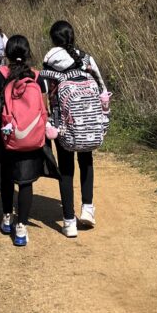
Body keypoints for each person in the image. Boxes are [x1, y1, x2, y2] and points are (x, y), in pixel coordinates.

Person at [41, 20, 108, 238]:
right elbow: (102, 90)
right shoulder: (86, 58)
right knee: (86, 161)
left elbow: (44, 92)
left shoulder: (49, 61)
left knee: (66, 169)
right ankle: (87, 208)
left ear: (53, 39)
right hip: (88, 121)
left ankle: (69, 221)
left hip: (62, 123)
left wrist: (47, 120)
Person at [0, 35, 49, 247]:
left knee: (6, 176)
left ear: (7, 53)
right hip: (30, 137)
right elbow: (44, 109)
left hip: (5, 137)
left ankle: (6, 218)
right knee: (26, 181)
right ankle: (21, 227)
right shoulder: (37, 77)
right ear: (28, 53)